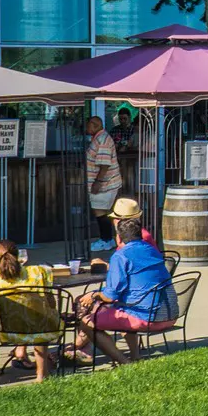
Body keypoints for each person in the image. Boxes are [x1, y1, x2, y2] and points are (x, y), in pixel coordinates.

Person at [76, 216, 174, 361]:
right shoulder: (152, 250)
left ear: (119, 239)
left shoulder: (120, 256)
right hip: (170, 314)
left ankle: (124, 362)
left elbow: (110, 296)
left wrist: (93, 295)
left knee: (87, 322)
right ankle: (135, 357)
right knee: (120, 309)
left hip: (146, 317)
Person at [0, 239, 61, 382]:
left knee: (32, 319)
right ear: (17, 254)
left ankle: (21, 351)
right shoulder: (39, 272)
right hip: (45, 330)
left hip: (10, 332)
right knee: (41, 317)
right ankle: (41, 375)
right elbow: (51, 303)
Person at [83, 115, 122, 246]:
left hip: (105, 184)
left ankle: (106, 240)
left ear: (96, 125)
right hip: (103, 183)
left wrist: (97, 183)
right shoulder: (99, 138)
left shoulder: (103, 140)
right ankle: (107, 239)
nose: (86, 127)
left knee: (100, 211)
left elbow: (104, 164)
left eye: (88, 124)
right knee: (100, 211)